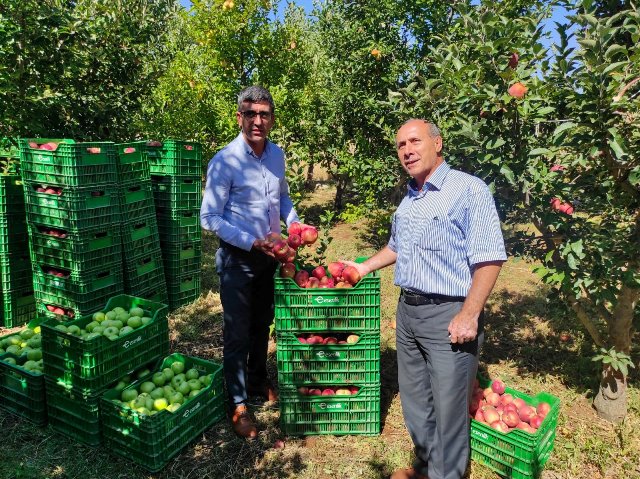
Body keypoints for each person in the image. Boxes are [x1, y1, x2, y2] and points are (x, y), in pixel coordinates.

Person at [346, 119, 506, 479]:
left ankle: (446, 472)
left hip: (448, 313)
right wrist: (363, 267)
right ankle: (426, 465)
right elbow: (397, 247)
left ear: (438, 143)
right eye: (401, 145)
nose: (407, 150)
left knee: (449, 409)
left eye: (414, 141)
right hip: (408, 312)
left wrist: (470, 313)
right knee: (416, 400)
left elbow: (490, 257)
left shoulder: (468, 190)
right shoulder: (410, 198)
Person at [201, 85, 303, 439]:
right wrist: (250, 241)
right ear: (239, 117)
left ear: (272, 118)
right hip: (238, 259)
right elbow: (210, 217)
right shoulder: (225, 161)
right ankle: (238, 402)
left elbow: (284, 199)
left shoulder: (277, 155)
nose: (258, 121)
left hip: (269, 257)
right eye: (250, 114)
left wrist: (295, 223)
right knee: (237, 333)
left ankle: (259, 380)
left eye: (264, 114)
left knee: (263, 324)